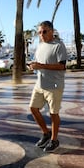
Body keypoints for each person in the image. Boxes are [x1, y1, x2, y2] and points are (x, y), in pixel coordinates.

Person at [28, 21, 67, 152]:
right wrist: (33, 65)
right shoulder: (40, 46)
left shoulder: (59, 46)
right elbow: (38, 62)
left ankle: (54, 140)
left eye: (44, 31)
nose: (41, 34)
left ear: (51, 31)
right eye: (39, 32)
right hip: (39, 84)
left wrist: (41, 66)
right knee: (33, 108)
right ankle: (46, 133)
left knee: (53, 113)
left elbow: (62, 66)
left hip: (54, 86)